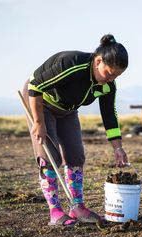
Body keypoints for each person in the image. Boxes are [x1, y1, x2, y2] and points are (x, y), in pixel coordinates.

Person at [22, 34, 129, 226]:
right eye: (109, 73)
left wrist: (117, 148)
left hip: (68, 110)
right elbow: (35, 86)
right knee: (50, 156)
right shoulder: (72, 64)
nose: (111, 79)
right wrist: (38, 122)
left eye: (116, 76)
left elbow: (109, 117)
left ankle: (77, 207)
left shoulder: (107, 85)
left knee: (76, 155)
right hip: (40, 102)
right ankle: (55, 212)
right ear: (98, 61)